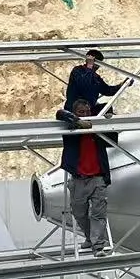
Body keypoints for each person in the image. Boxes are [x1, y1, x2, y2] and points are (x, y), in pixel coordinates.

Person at [56, 96, 112, 254]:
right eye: (82, 112)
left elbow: (108, 106)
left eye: (88, 111)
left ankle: (97, 245)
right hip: (79, 179)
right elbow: (60, 114)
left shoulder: (96, 127)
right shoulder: (70, 129)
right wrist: (76, 120)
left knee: (98, 214)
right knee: (79, 213)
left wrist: (108, 116)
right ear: (75, 113)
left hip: (97, 178)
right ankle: (90, 237)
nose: (86, 115)